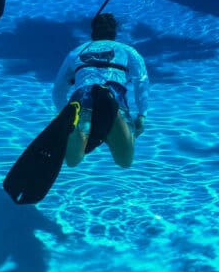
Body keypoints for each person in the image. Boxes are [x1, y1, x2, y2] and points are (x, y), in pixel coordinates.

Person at [52, 12, 148, 169]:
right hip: (113, 93)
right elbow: (141, 82)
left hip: (82, 96)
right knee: (124, 161)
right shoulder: (128, 50)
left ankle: (77, 124)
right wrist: (142, 115)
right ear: (114, 32)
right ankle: (112, 112)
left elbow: (58, 89)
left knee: (73, 161)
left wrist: (65, 114)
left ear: (93, 31)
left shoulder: (76, 52)